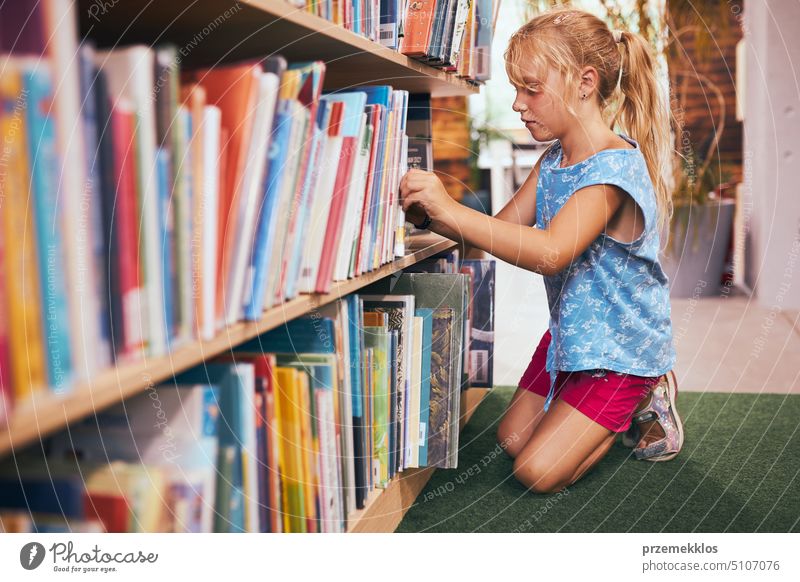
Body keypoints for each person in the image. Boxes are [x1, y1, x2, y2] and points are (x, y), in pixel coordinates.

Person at [398, 7, 683, 494]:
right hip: (570, 338)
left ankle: (646, 392)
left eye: (531, 88)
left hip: (620, 352)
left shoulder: (610, 172)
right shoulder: (554, 161)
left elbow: (552, 253)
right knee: (513, 439)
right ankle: (591, 410)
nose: (518, 104)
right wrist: (432, 214)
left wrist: (453, 209)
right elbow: (499, 230)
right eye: (516, 89)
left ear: (584, 82)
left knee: (538, 473)